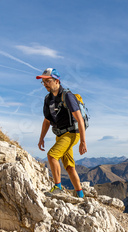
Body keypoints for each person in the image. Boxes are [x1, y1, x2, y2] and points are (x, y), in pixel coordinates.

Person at [37, 68, 87, 198]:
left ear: (57, 81)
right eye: (43, 82)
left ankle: (58, 187)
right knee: (69, 167)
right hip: (60, 135)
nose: (45, 84)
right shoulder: (48, 99)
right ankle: (80, 195)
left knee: (52, 155)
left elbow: (80, 119)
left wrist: (82, 141)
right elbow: (47, 121)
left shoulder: (67, 96)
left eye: (47, 81)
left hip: (72, 133)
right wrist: (41, 138)